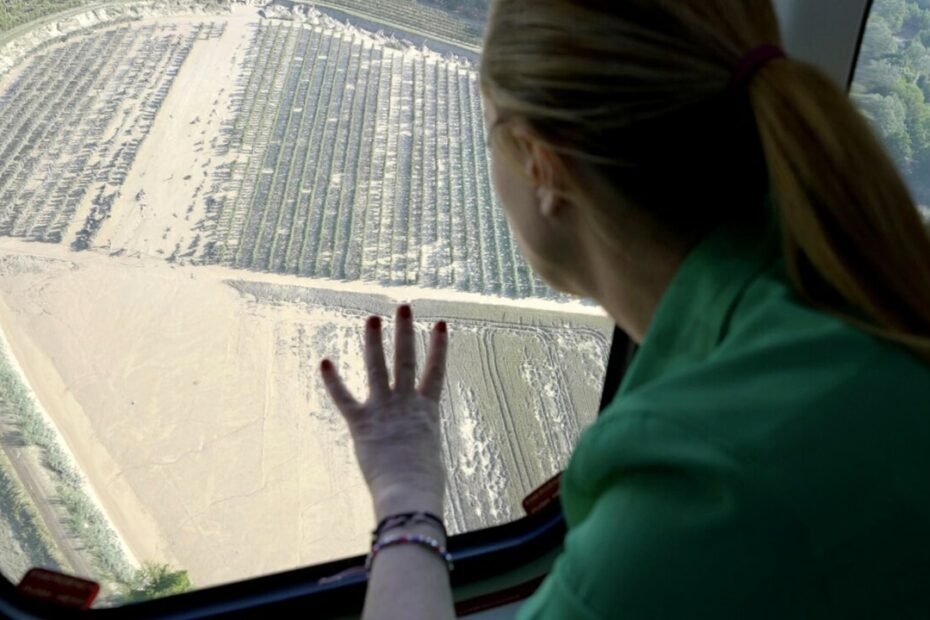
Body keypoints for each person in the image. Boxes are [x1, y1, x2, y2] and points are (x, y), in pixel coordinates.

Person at [320, 0, 930, 618]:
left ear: (543, 165)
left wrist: (404, 494)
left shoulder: (706, 489)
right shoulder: (850, 281)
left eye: (492, 132)